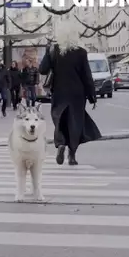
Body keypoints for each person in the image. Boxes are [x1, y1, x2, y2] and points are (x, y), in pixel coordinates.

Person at [39, 35, 102, 166]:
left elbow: (43, 70)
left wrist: (47, 51)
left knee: (60, 120)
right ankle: (72, 155)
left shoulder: (54, 51)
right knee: (76, 124)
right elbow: (87, 75)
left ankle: (61, 143)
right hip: (77, 94)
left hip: (59, 93)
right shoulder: (81, 52)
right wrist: (92, 96)